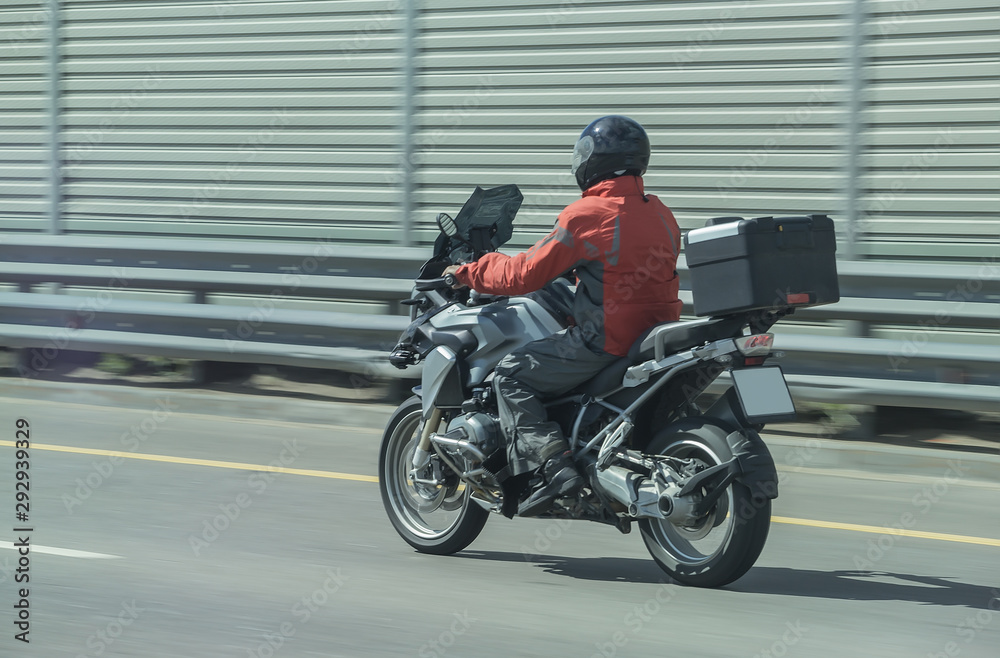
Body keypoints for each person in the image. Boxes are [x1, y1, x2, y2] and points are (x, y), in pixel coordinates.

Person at [444, 115, 682, 516]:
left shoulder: (586, 214)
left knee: (512, 375)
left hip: (605, 339)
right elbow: (624, 266)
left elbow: (524, 274)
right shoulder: (660, 213)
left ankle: (554, 470)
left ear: (592, 161)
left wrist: (469, 271)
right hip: (654, 335)